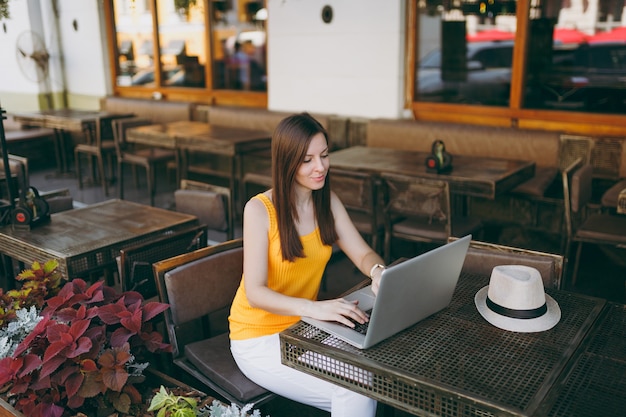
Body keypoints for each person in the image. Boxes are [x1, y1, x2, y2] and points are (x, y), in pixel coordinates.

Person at [229, 113, 386, 417]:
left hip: (305, 329)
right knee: (354, 388)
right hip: (257, 338)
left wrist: (378, 272)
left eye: (325, 155)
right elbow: (255, 294)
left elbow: (365, 255)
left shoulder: (327, 202)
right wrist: (317, 308)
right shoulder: (260, 210)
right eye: (308, 160)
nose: (321, 167)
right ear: (287, 162)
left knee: (371, 371)